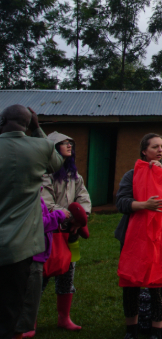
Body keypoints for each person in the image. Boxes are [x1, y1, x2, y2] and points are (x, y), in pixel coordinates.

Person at [114, 133, 162, 338]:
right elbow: (121, 202)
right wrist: (144, 205)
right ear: (144, 151)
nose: (160, 150)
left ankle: (157, 331)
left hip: (160, 237)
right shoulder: (132, 174)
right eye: (155, 147)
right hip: (133, 237)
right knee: (131, 284)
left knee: (159, 285)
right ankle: (132, 331)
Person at [0, 105, 63, 339]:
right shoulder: (42, 147)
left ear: (3, 119)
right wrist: (37, 129)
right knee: (11, 308)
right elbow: (57, 165)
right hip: (20, 246)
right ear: (29, 124)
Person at [40, 133, 92, 332]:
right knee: (41, 277)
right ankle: (29, 321)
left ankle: (64, 318)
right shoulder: (44, 175)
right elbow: (47, 203)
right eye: (63, 143)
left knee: (67, 275)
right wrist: (70, 217)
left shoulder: (75, 176)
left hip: (71, 233)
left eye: (70, 142)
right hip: (49, 232)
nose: (69, 145)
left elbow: (84, 198)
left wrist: (81, 218)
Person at [13, 196, 71, 339]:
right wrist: (59, 215)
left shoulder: (33, 195)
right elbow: (36, 225)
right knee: (26, 303)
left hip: (34, 255)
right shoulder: (28, 197)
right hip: (31, 256)